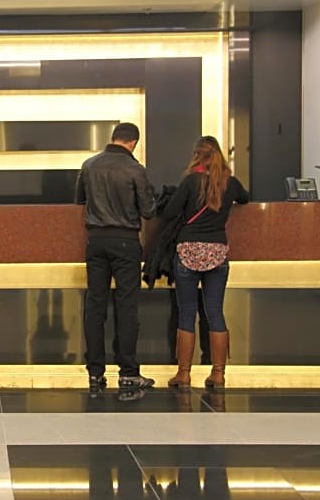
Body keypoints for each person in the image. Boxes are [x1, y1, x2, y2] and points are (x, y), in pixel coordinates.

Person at [162, 135, 249, 391]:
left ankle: (184, 373)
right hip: (217, 252)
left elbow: (169, 212)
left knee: (187, 313)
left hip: (188, 251)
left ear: (197, 156)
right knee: (215, 312)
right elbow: (245, 198)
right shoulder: (230, 182)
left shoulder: (191, 181)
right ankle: (218, 374)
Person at [76, 122, 157, 394]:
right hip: (125, 242)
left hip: (96, 241)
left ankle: (95, 374)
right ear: (133, 142)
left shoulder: (89, 165)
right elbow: (148, 211)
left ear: (113, 138)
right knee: (126, 306)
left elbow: (79, 201)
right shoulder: (135, 169)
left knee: (95, 306)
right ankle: (128, 373)